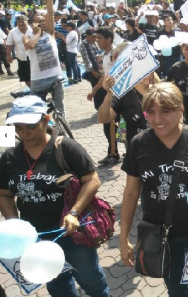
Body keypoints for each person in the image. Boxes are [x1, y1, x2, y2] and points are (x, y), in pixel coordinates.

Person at [119, 83, 188, 296]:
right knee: (175, 290)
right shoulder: (139, 144)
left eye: (166, 111)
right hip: (163, 236)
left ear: (180, 110)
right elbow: (131, 193)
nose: (157, 120)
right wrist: (123, 239)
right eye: (151, 112)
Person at [0, 95, 110, 297]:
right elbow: (4, 195)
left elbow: (92, 180)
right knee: (58, 286)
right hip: (37, 239)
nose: (25, 133)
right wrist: (15, 226)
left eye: (30, 126)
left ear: (45, 119)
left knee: (92, 282)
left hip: (72, 234)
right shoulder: (9, 158)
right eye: (18, 128)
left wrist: (74, 212)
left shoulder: (65, 147)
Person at [23, 0, 65, 114]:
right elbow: (30, 46)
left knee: (59, 107)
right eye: (39, 21)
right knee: (38, 110)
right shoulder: (27, 36)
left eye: (43, 20)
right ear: (32, 24)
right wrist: (37, 34)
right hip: (38, 80)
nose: (43, 22)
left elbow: (50, 12)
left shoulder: (50, 33)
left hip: (55, 77)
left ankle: (63, 131)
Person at [87, 26, 120, 165]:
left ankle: (113, 154)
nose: (97, 40)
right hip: (110, 93)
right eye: (96, 38)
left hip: (118, 95)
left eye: (100, 38)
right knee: (109, 124)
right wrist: (94, 90)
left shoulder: (115, 53)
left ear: (109, 39)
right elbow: (105, 76)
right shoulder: (106, 54)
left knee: (111, 124)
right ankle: (114, 152)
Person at [6, 15, 32, 86]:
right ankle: (33, 92)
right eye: (19, 22)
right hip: (21, 58)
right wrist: (9, 55)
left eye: (23, 22)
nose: (21, 23)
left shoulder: (33, 30)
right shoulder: (13, 32)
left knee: (36, 77)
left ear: (27, 21)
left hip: (33, 58)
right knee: (26, 78)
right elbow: (9, 44)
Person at [157, 15, 183, 79]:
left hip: (177, 55)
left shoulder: (178, 31)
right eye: (168, 20)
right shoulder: (160, 32)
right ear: (164, 22)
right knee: (168, 75)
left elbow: (183, 42)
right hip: (167, 57)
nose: (170, 21)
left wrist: (179, 44)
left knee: (180, 73)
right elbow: (157, 43)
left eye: (171, 19)